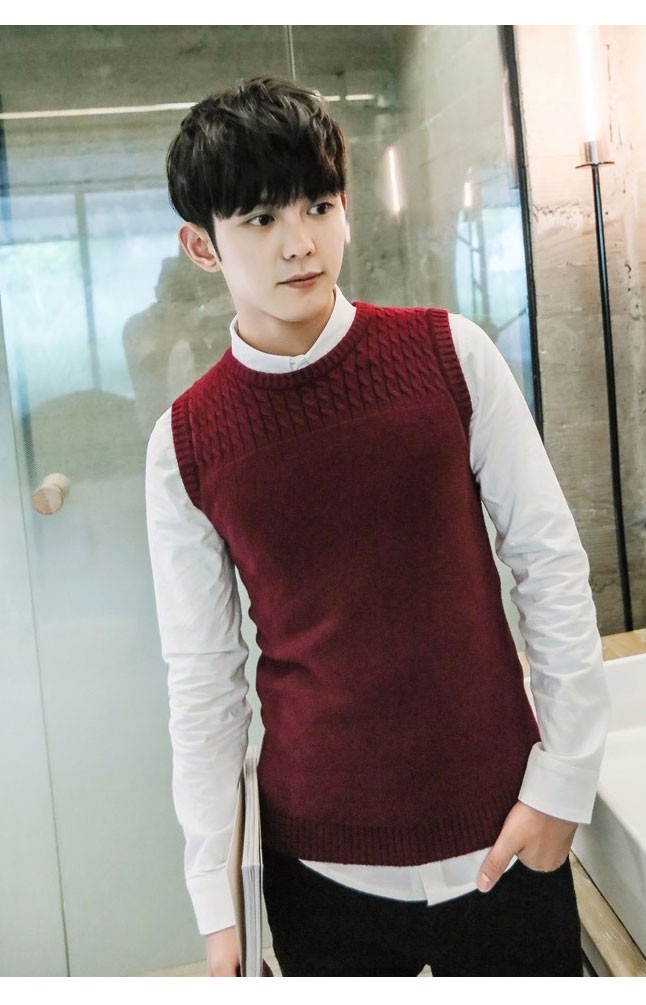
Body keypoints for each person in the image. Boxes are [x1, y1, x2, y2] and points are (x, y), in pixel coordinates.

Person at [145, 75, 609, 977]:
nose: (300, 242)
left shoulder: (450, 355)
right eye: (260, 218)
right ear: (201, 245)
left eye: (318, 205)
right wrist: (217, 904)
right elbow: (203, 683)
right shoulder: (186, 444)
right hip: (320, 872)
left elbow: (550, 565)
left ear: (345, 206)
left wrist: (564, 782)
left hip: (505, 832)